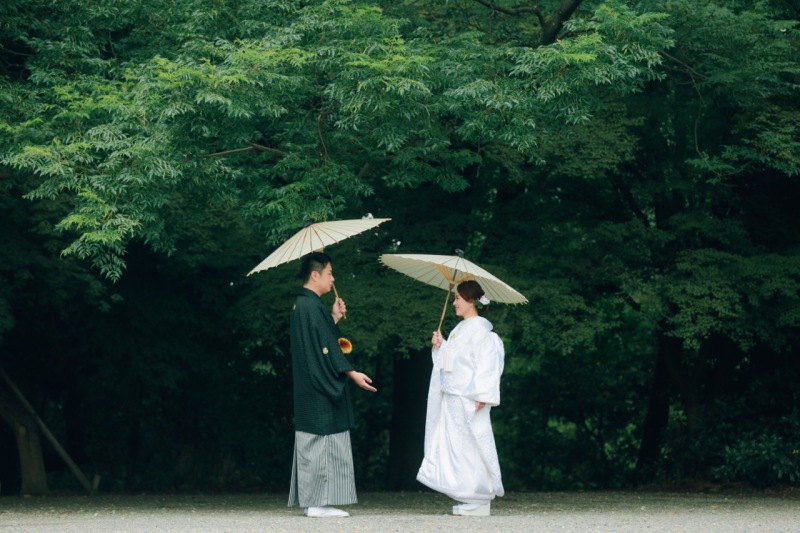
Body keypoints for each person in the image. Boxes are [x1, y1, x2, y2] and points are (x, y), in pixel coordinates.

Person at [287, 252, 377, 518]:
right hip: (318, 386)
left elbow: (321, 341)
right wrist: (352, 373)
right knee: (322, 440)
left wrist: (333, 318)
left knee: (314, 440)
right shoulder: (310, 306)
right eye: (329, 273)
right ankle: (318, 503)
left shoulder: (303, 305)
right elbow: (325, 348)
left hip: (308, 385)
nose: (332, 278)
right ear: (315, 275)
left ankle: (313, 501)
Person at [417, 280, 505, 517]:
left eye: (458, 298)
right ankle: (468, 495)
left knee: (473, 445)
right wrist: (441, 346)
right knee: (457, 447)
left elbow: (487, 364)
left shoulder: (482, 332)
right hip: (454, 398)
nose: (454, 303)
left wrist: (482, 396)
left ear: (470, 300)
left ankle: (480, 496)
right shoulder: (459, 329)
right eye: (454, 298)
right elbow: (452, 362)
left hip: (470, 398)